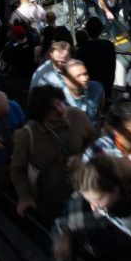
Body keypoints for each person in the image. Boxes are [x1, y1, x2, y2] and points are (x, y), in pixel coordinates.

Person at [10, 85, 96, 221]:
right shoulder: (27, 135)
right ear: (40, 113)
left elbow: (95, 145)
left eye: (59, 103)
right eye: (52, 108)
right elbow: (17, 169)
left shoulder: (78, 117)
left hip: (83, 194)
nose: (60, 110)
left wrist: (83, 159)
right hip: (49, 202)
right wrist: (24, 197)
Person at [74, 17, 116, 98]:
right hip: (106, 86)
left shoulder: (81, 50)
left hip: (90, 90)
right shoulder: (109, 45)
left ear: (87, 31)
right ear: (101, 30)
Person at [61, 59, 105, 126]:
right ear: (66, 79)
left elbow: (99, 115)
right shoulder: (59, 100)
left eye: (85, 74)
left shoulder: (97, 89)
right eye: (78, 76)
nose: (84, 79)